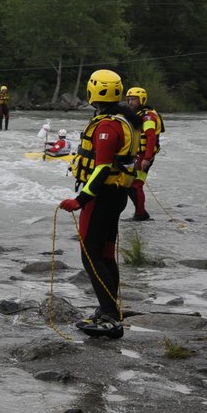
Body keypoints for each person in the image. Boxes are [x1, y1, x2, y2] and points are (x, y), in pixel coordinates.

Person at [57, 68, 138, 339]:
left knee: (90, 255)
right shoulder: (119, 119)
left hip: (101, 198)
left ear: (94, 91)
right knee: (104, 254)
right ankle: (108, 312)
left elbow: (102, 168)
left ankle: (110, 317)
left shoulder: (107, 125)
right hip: (113, 196)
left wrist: (80, 200)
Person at [125, 86, 164, 221]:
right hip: (137, 155)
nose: (130, 102)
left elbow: (151, 138)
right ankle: (141, 212)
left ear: (141, 100)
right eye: (129, 99)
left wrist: (146, 158)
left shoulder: (148, 117)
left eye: (134, 100)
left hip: (144, 156)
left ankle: (141, 214)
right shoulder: (137, 115)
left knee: (135, 185)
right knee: (130, 184)